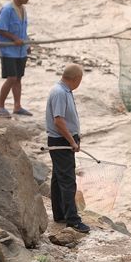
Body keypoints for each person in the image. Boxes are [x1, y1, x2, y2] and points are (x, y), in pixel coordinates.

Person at [45, 64, 90, 233]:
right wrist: (72, 141)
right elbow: (58, 121)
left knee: (58, 178)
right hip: (61, 142)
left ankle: (60, 214)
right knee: (68, 180)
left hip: (63, 140)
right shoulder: (59, 93)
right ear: (76, 79)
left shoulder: (64, 91)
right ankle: (73, 220)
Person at [0, 0, 33, 117]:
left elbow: (24, 29)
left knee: (18, 78)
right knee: (11, 78)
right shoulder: (7, 9)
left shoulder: (23, 9)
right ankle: (0, 106)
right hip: (9, 50)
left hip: (20, 51)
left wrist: (27, 44)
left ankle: (17, 106)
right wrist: (14, 38)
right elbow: (0, 28)